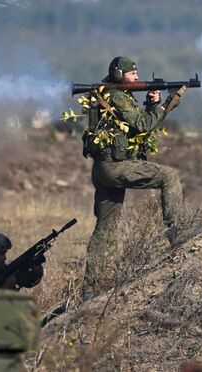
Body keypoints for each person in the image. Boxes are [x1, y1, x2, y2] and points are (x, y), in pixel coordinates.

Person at [81, 56, 184, 297]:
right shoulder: (116, 95)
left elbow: (140, 122)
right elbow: (143, 124)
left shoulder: (110, 94)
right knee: (169, 176)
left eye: (137, 73)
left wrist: (151, 104)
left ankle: (91, 289)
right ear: (118, 75)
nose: (137, 77)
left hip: (104, 169)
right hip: (116, 167)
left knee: (105, 229)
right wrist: (166, 102)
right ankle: (179, 234)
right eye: (132, 73)